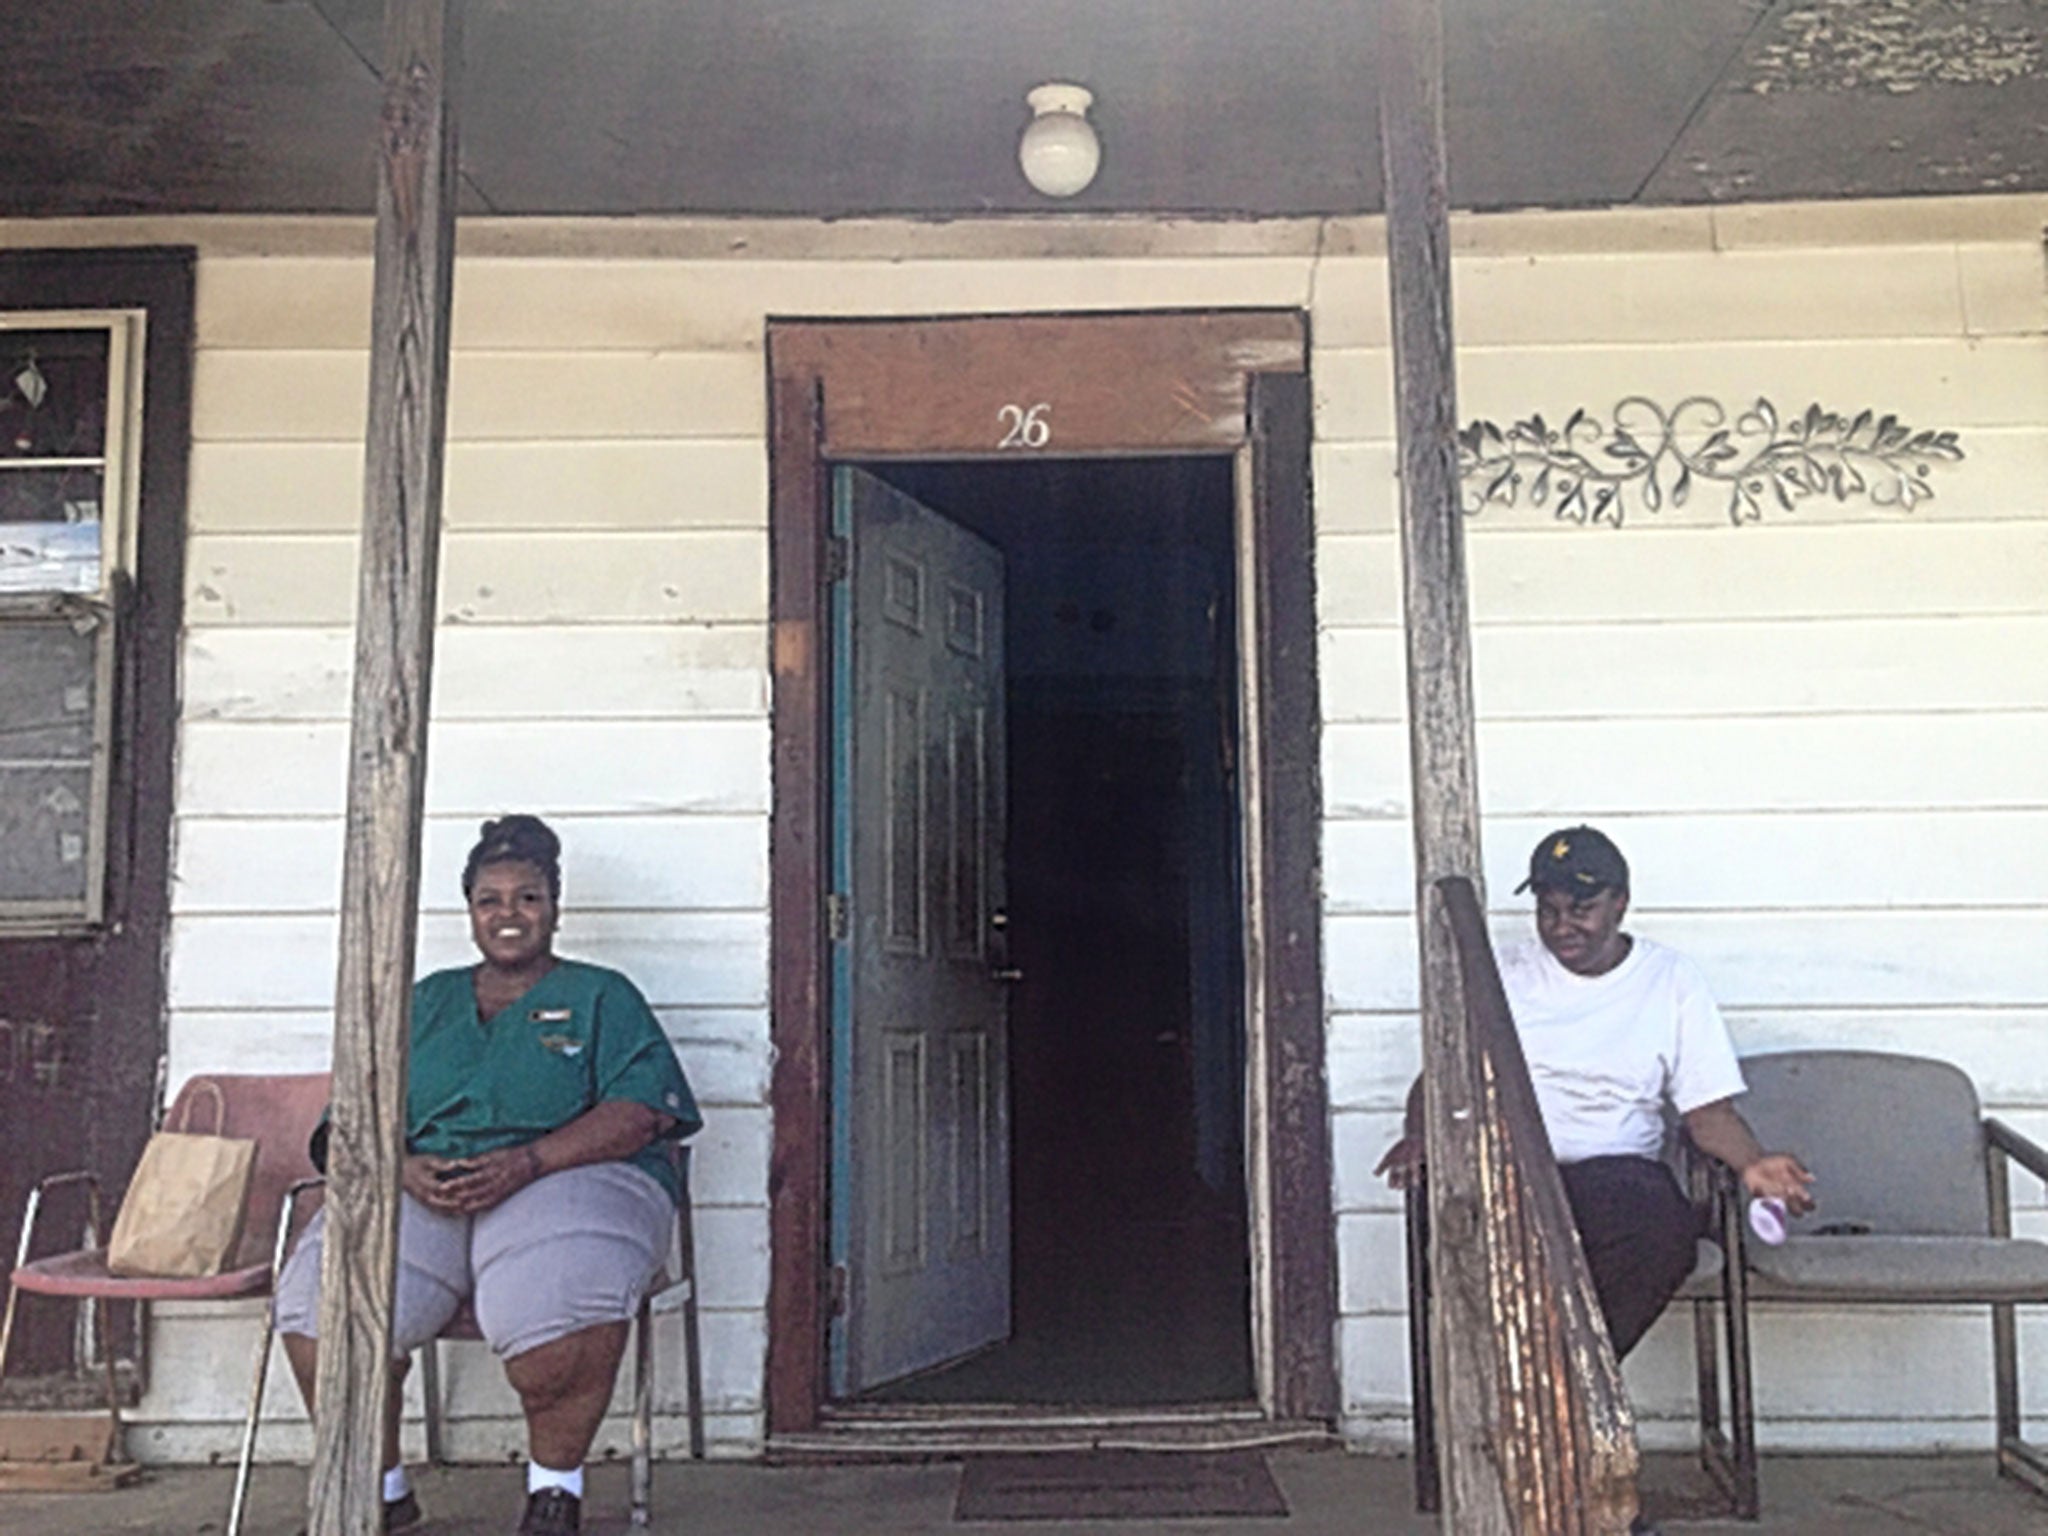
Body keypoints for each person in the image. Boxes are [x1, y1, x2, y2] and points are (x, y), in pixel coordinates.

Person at [274, 815, 701, 1536]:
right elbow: (346, 1121)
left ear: (554, 907)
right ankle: (380, 1490)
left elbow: (640, 1111)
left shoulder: (603, 995)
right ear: (469, 910)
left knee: (557, 1308)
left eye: (528, 897)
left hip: (566, 1173)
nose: (509, 914)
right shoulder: (424, 999)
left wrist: (528, 1161)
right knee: (322, 1314)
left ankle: (554, 1493)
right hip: (427, 1185)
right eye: (490, 900)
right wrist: (401, 1168)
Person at [1377, 824, 1815, 1363]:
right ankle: (1530, 1394)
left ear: (1620, 904)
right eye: (1548, 910)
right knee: (1466, 1238)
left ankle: (1569, 1381)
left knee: (1663, 1235)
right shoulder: (1504, 974)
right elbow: (1440, 1076)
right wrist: (1420, 1134)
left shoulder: (1670, 980)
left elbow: (1708, 1111)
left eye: (1581, 908)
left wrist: (1752, 1164)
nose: (1563, 927)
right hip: (1514, 1172)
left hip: (1617, 1177)